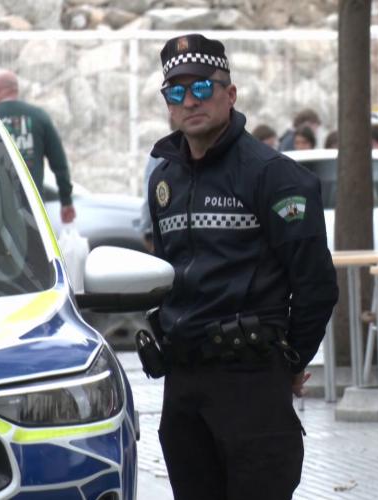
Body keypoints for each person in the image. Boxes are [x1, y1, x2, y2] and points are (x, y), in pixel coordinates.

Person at [146, 34, 338, 500]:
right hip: (183, 386)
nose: (189, 101)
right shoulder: (164, 179)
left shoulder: (273, 175)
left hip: (251, 383)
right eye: (176, 91)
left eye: (202, 88)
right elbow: (165, 276)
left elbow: (315, 285)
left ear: (230, 94)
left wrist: (289, 362)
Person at [0, 70, 76, 223]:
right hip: (33, 209)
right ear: (15, 89)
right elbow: (59, 164)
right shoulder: (39, 117)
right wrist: (66, 201)